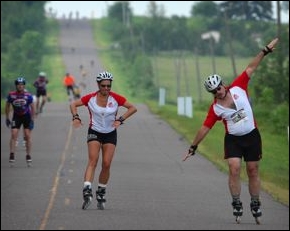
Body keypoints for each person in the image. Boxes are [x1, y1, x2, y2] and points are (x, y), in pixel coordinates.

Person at [183, 38, 279, 224]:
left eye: (218, 87)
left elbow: (251, 67)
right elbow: (205, 128)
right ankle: (236, 202)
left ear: (222, 83)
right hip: (233, 140)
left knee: (252, 169)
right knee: (234, 168)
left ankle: (255, 202)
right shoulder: (216, 109)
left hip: (252, 136)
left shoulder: (238, 87)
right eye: (214, 91)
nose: (218, 92)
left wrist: (265, 51)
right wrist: (193, 146)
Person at [69, 71, 137, 210]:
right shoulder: (91, 98)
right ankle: (87, 189)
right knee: (93, 160)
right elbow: (73, 104)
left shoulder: (115, 98)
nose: (106, 88)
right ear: (98, 85)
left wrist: (121, 119)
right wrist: (76, 117)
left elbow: (133, 108)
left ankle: (101, 191)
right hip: (94, 131)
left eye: (108, 86)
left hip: (110, 133)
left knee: (106, 163)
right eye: (103, 86)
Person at [5, 77, 36, 167]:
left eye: (22, 85)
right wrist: (7, 118)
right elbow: (7, 107)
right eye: (18, 85)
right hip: (16, 116)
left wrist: (32, 119)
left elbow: (33, 108)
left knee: (27, 136)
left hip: (26, 116)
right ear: (16, 86)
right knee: (14, 134)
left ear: (24, 86)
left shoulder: (28, 95)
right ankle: (12, 154)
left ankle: (28, 155)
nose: (20, 86)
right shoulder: (11, 95)